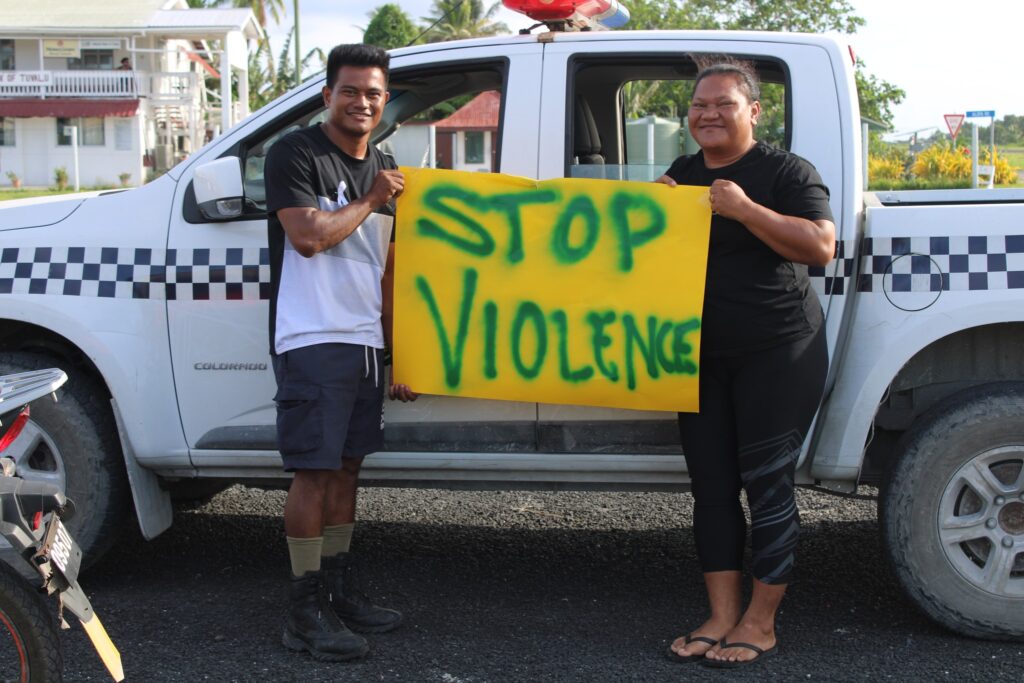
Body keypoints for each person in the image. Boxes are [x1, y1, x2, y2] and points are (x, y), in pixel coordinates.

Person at [656, 58, 835, 668]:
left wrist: (744, 209)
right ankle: (721, 614)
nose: (707, 113)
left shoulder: (784, 170)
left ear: (753, 112)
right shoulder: (681, 173)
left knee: (767, 484)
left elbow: (821, 247)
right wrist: (654, 213)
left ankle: (761, 621)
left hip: (778, 350)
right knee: (710, 486)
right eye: (699, 104)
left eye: (723, 104)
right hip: (699, 353)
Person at [264, 43, 417, 662]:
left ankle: (336, 589)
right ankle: (302, 612)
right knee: (315, 471)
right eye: (350, 90)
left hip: (363, 341)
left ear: (385, 102)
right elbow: (307, 237)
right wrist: (372, 198)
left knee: (350, 467)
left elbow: (387, 270)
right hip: (313, 335)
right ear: (327, 95)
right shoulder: (295, 152)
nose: (362, 102)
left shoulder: (384, 163)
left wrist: (396, 347)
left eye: (373, 93)